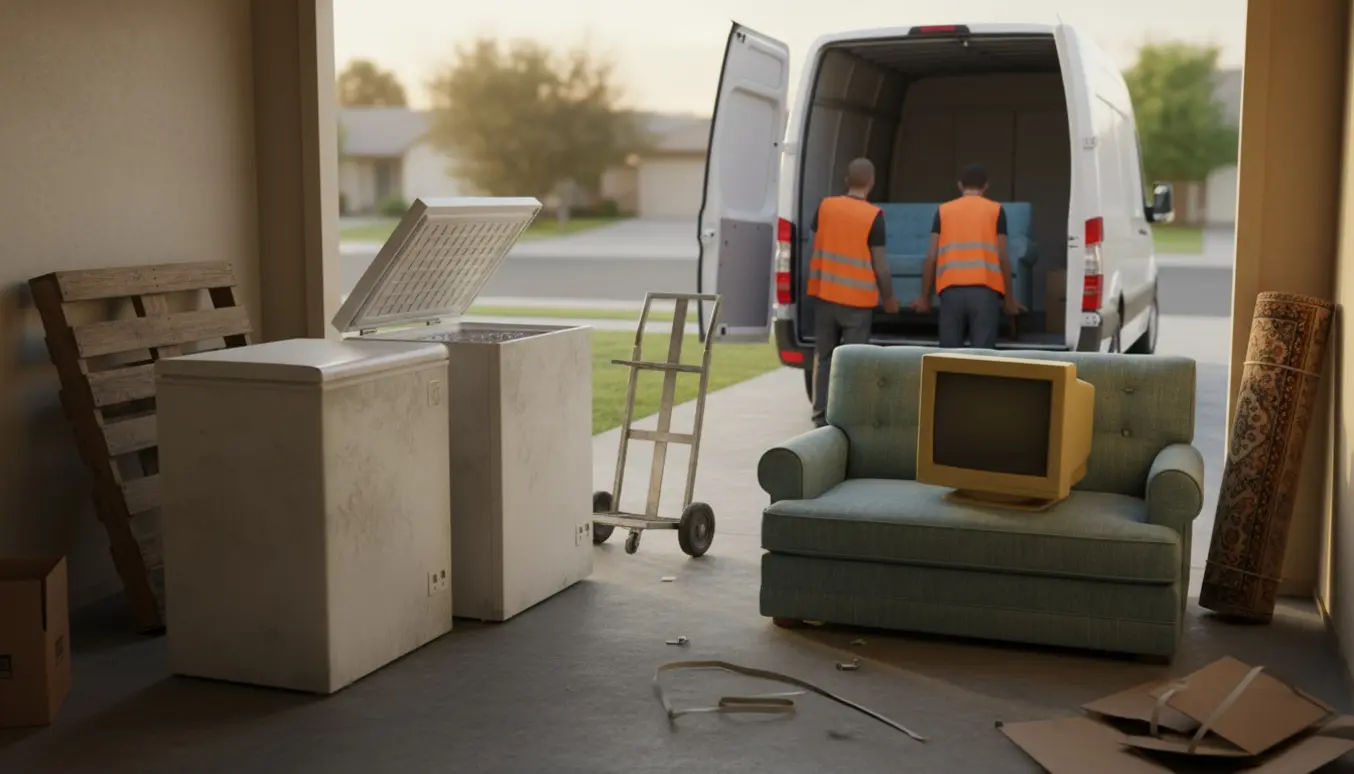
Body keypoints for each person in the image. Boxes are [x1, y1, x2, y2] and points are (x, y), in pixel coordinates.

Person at [807, 157, 900, 427]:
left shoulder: (825, 207)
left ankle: (819, 417)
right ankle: (847, 419)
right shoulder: (873, 216)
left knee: (824, 359)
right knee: (854, 362)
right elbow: (880, 266)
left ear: (847, 181)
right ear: (871, 183)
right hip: (857, 304)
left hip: (825, 296)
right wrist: (889, 298)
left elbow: (815, 248)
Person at [911, 164, 1024, 349]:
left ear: (960, 185)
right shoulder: (996, 211)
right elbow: (1003, 257)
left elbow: (931, 257)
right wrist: (1009, 299)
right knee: (982, 358)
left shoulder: (943, 211)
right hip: (985, 293)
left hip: (950, 292)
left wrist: (925, 297)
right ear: (986, 186)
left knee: (949, 358)